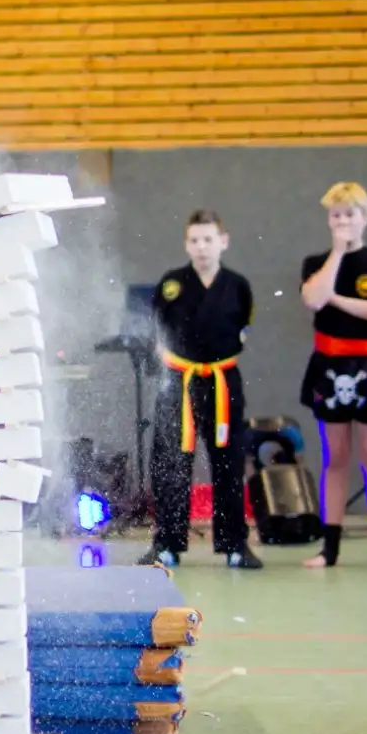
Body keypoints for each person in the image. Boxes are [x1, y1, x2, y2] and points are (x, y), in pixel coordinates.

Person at [138, 210, 261, 569]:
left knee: (229, 462)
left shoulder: (237, 286)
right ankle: (167, 544)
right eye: (194, 240)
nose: (202, 247)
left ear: (224, 242)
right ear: (186, 244)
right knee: (171, 463)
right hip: (180, 381)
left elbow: (243, 329)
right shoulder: (172, 283)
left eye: (208, 239)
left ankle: (235, 544)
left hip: (221, 381)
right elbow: (157, 329)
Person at [299, 182, 367, 571]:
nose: (343, 221)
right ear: (329, 220)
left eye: (350, 214)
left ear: (365, 217)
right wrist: (338, 253)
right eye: (336, 215)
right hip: (329, 366)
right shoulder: (317, 263)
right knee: (336, 457)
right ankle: (329, 549)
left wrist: (339, 301)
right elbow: (314, 298)